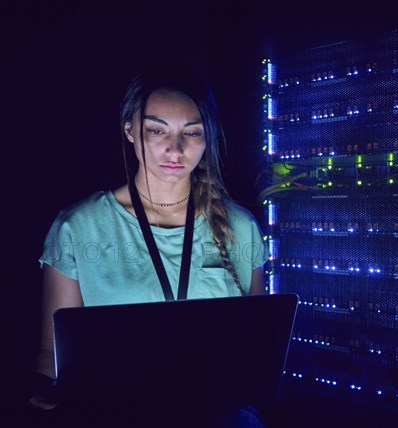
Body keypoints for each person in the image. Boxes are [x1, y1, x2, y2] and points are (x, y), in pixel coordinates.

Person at [27, 62, 269, 427]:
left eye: (192, 133)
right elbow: (51, 351)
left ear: (208, 137)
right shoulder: (78, 227)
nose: (175, 149)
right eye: (157, 130)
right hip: (115, 411)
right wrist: (44, 390)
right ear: (129, 130)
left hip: (217, 411)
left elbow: (256, 342)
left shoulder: (240, 227)